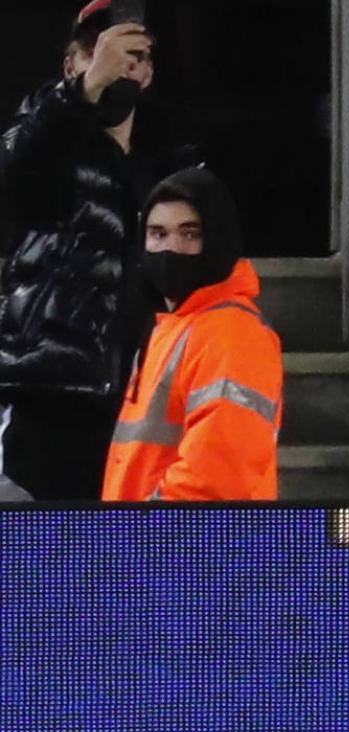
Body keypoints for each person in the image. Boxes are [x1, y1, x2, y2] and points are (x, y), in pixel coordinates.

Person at [0, 0, 194, 499]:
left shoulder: (168, 163)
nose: (117, 63)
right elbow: (20, 177)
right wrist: (85, 91)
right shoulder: (40, 132)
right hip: (53, 397)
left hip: (142, 402)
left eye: (133, 52)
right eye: (98, 50)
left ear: (147, 70)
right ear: (71, 63)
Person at [101, 167, 282, 501]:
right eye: (157, 234)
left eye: (190, 233)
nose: (171, 248)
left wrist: (141, 540)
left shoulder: (231, 333)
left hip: (191, 546)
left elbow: (216, 475)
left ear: (218, 239)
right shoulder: (173, 328)